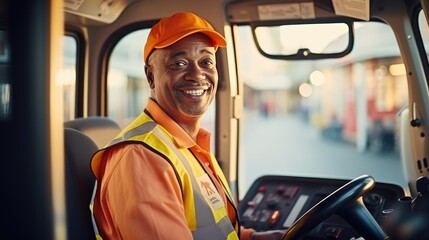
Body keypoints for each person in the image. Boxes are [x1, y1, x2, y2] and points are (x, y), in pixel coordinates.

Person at [90, 12, 285, 240]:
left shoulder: (189, 145)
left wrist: (254, 237)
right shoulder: (141, 158)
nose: (196, 75)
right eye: (179, 63)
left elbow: (211, 230)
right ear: (151, 76)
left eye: (206, 62)